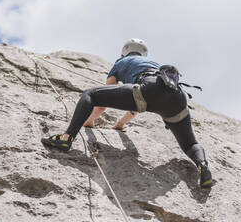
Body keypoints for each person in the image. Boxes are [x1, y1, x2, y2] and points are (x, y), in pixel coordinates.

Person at [41, 38, 212, 188]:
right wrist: (120, 124)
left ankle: (66, 138)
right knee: (190, 144)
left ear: (124, 53)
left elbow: (100, 102)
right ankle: (202, 165)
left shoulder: (120, 63)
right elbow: (134, 105)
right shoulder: (155, 65)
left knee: (90, 94)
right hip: (178, 99)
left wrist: (89, 121)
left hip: (148, 90)